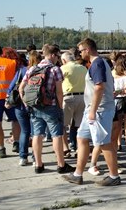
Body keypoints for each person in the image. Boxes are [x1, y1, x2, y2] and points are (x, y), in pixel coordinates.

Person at [63, 38, 120, 186]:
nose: (80, 54)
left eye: (81, 51)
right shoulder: (97, 64)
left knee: (103, 143)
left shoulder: (97, 64)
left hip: (99, 109)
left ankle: (114, 176)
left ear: (87, 50)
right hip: (93, 109)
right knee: (81, 138)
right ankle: (77, 174)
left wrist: (93, 111)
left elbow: (99, 87)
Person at [19, 44, 74, 174]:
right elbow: (59, 92)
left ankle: (38, 164)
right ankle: (61, 164)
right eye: (58, 56)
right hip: (51, 106)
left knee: (37, 134)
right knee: (56, 135)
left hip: (35, 106)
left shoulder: (32, 68)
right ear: (53, 55)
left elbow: (21, 88)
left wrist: (27, 103)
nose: (58, 59)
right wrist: (60, 107)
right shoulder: (55, 69)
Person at [5, 52, 31, 165]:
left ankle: (23, 157)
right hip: (35, 105)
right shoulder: (40, 71)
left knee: (24, 131)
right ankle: (36, 158)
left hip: (20, 104)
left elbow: (10, 88)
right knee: (36, 133)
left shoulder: (21, 71)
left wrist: (7, 101)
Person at [60, 51, 87, 154]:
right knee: (78, 125)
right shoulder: (83, 68)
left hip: (68, 97)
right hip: (82, 97)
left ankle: (65, 148)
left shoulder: (63, 68)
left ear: (64, 60)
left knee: (63, 125)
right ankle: (78, 148)